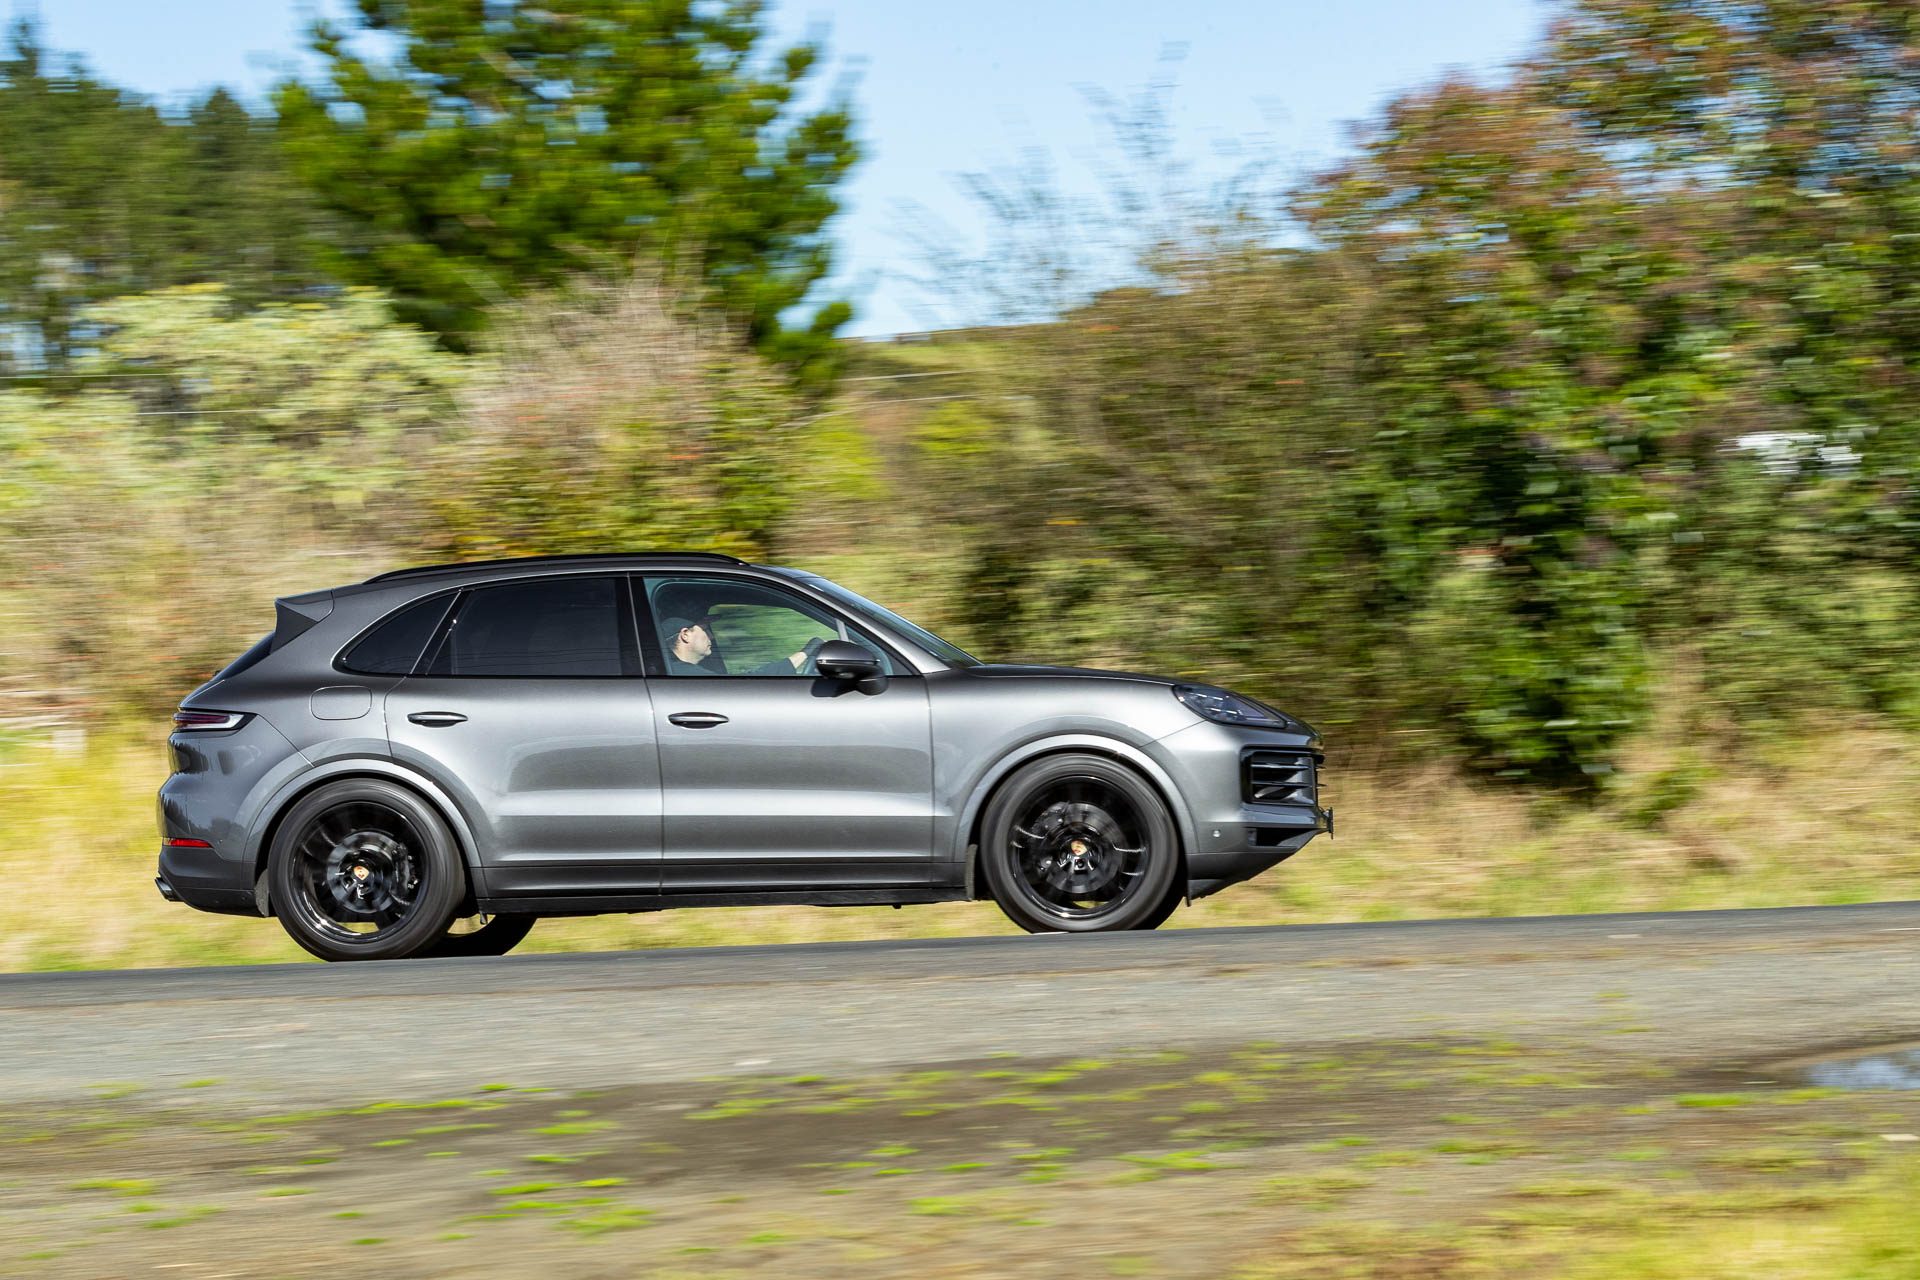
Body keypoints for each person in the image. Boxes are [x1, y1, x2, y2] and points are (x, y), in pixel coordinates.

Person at [658, 615, 824, 676]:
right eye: (706, 630)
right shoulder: (683, 672)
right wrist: (805, 653)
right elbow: (751, 683)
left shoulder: (678, 671)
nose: (712, 636)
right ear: (685, 635)